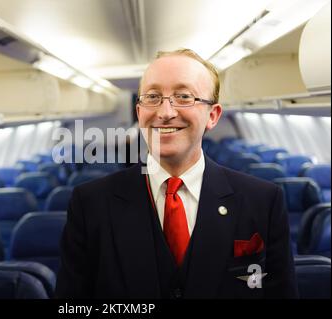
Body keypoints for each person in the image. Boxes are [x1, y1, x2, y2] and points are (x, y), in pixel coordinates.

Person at [55, 49, 298, 299]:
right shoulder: (90, 204)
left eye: (184, 96)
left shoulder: (262, 202)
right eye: (152, 97)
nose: (165, 112)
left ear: (212, 116)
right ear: (139, 113)